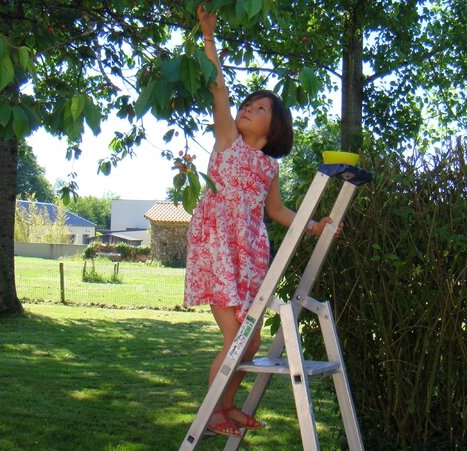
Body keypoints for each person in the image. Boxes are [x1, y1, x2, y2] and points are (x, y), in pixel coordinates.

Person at [184, 4, 342, 438]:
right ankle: (213, 411)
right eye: (249, 103)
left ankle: (227, 403)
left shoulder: (267, 168)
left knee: (250, 343)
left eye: (260, 108)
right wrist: (208, 38)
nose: (248, 108)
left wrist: (311, 226)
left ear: (273, 130)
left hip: (249, 255)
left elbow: (276, 212)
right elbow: (220, 90)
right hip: (217, 247)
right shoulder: (228, 140)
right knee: (237, 340)